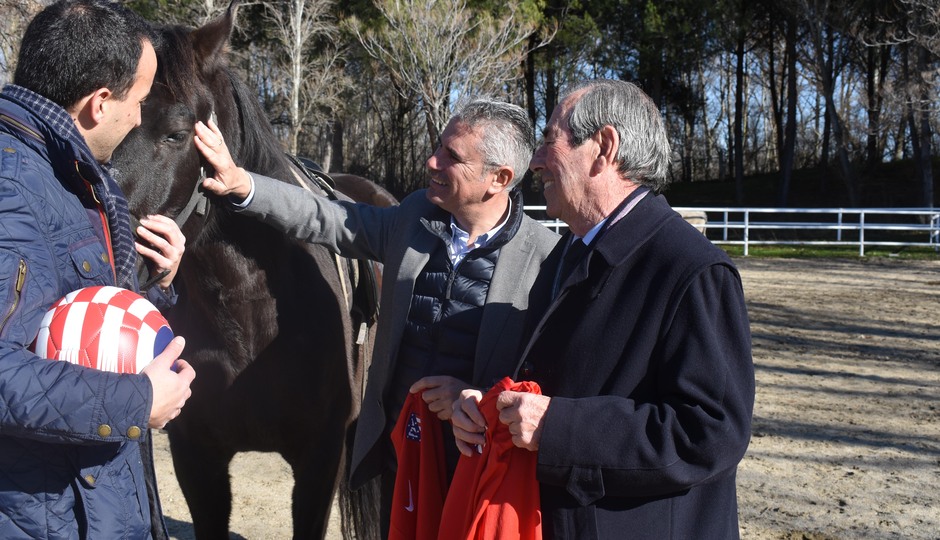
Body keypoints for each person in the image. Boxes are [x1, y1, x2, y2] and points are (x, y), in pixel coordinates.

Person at [193, 99, 559, 535]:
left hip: (477, 467)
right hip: (400, 455)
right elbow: (327, 218)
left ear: (498, 179)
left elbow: (549, 375)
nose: (432, 161)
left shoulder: (546, 259)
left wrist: (480, 397)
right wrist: (242, 184)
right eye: (438, 146)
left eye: (453, 157)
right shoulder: (414, 219)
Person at [452, 79, 755, 539]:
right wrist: (492, 408)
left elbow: (710, 433)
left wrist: (557, 428)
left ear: (604, 147)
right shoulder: (568, 253)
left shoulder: (692, 269)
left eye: (550, 139)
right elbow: (554, 379)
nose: (534, 160)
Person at [0, 1, 197, 538]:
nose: (138, 117)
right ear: (99, 102)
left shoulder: (67, 171)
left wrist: (155, 280)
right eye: (138, 100)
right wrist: (138, 400)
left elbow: (68, 318)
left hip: (84, 500)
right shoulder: (11, 188)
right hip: (44, 514)